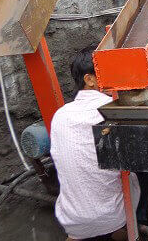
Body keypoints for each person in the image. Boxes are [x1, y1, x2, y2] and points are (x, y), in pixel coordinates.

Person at [50, 46, 140, 241]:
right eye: (110, 73)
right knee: (139, 172)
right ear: (89, 79)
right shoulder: (109, 113)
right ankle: (135, 225)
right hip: (111, 216)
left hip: (71, 219)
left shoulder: (60, 115)